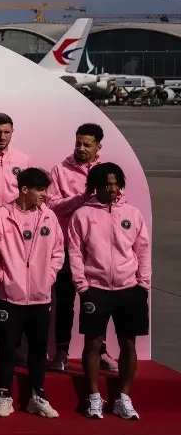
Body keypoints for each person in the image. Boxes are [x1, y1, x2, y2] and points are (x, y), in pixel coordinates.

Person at [67, 162, 149, 420]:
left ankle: (123, 398)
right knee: (93, 343)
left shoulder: (133, 213)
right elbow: (75, 252)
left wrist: (143, 284)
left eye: (116, 184)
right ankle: (93, 397)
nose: (112, 189)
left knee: (128, 343)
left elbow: (142, 250)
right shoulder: (82, 215)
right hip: (95, 289)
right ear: (96, 187)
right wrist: (82, 285)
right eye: (106, 185)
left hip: (130, 289)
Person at [0, 167, 62, 418]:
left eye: (45, 190)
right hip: (9, 297)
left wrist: (48, 277)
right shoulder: (1, 215)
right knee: (7, 349)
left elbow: (58, 252)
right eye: (39, 190)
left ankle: (37, 395)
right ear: (24, 190)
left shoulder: (49, 217)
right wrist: (2, 277)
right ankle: (3, 395)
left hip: (40, 298)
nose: (44, 195)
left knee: (38, 350)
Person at [47, 123, 117, 373]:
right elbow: (51, 205)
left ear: (99, 146)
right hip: (68, 247)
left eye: (87, 144)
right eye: (78, 143)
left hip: (96, 249)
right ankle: (62, 351)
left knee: (98, 301)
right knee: (65, 301)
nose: (81, 148)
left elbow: (117, 203)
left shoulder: (106, 172)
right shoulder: (60, 170)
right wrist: (82, 198)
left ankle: (101, 350)